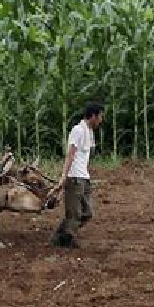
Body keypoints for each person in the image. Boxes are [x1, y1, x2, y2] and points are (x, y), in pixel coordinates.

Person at [50, 102, 106, 248]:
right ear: (93, 115)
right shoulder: (78, 130)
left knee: (87, 213)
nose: (101, 120)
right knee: (74, 213)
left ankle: (60, 236)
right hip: (74, 177)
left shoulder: (89, 131)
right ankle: (66, 240)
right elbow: (70, 154)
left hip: (84, 177)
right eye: (100, 116)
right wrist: (64, 176)